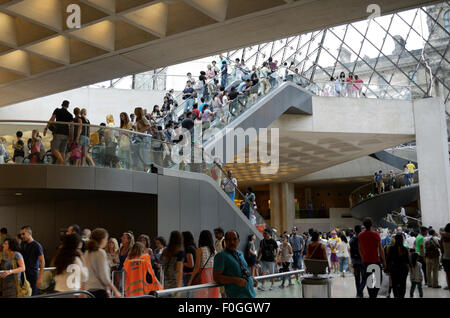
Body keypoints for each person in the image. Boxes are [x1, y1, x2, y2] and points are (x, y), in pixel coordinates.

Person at [213, 231, 257, 298]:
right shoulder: (221, 256)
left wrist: (251, 278)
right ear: (225, 241)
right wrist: (235, 280)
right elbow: (216, 277)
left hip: (251, 294)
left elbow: (243, 269)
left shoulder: (240, 254)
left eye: (234, 239)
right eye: (229, 239)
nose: (232, 242)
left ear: (238, 240)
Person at [85, 228, 121, 298]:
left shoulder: (87, 253)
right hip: (100, 290)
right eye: (106, 239)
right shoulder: (100, 252)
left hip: (88, 289)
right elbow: (104, 276)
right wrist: (115, 290)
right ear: (101, 240)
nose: (107, 241)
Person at [358, 218, 387, 298]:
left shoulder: (360, 235)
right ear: (372, 225)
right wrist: (384, 261)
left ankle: (372, 295)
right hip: (375, 261)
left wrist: (363, 258)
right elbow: (380, 249)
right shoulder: (375, 234)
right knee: (378, 280)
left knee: (369, 280)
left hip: (366, 262)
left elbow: (359, 249)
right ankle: (374, 295)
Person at [187, 230, 219, 298]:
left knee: (202, 294)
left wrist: (190, 280)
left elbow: (197, 267)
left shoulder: (200, 250)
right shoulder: (214, 250)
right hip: (213, 275)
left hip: (203, 274)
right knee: (212, 295)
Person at [43, 100, 74, 164]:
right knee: (62, 151)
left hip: (58, 132)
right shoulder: (70, 115)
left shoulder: (57, 110)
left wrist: (46, 128)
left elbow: (51, 119)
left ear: (62, 104)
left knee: (54, 149)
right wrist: (71, 136)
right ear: (68, 106)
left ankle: (62, 162)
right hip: (66, 134)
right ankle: (62, 167)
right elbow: (71, 127)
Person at [19, 226, 44, 296]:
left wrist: (40, 278)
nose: (22, 236)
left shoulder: (37, 245)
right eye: (21, 234)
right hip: (23, 275)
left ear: (29, 233)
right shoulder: (23, 244)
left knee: (32, 295)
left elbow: (42, 262)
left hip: (33, 276)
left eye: (23, 234)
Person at [386, 233, 410, 298]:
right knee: (403, 284)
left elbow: (388, 259)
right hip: (403, 269)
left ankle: (396, 296)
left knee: (394, 284)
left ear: (395, 239)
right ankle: (401, 296)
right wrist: (411, 268)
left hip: (394, 269)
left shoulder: (391, 248)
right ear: (402, 240)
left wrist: (387, 269)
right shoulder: (405, 249)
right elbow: (408, 260)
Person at [350, 225, 364, 297]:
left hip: (355, 260)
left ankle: (358, 293)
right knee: (364, 277)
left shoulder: (352, 239)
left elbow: (351, 251)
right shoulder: (362, 238)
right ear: (361, 230)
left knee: (357, 277)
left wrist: (352, 261)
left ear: (354, 230)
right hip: (362, 260)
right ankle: (360, 291)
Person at [440, 223, 450, 291]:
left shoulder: (443, 237)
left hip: (446, 258)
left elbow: (441, 248)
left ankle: (449, 286)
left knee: (448, 274)